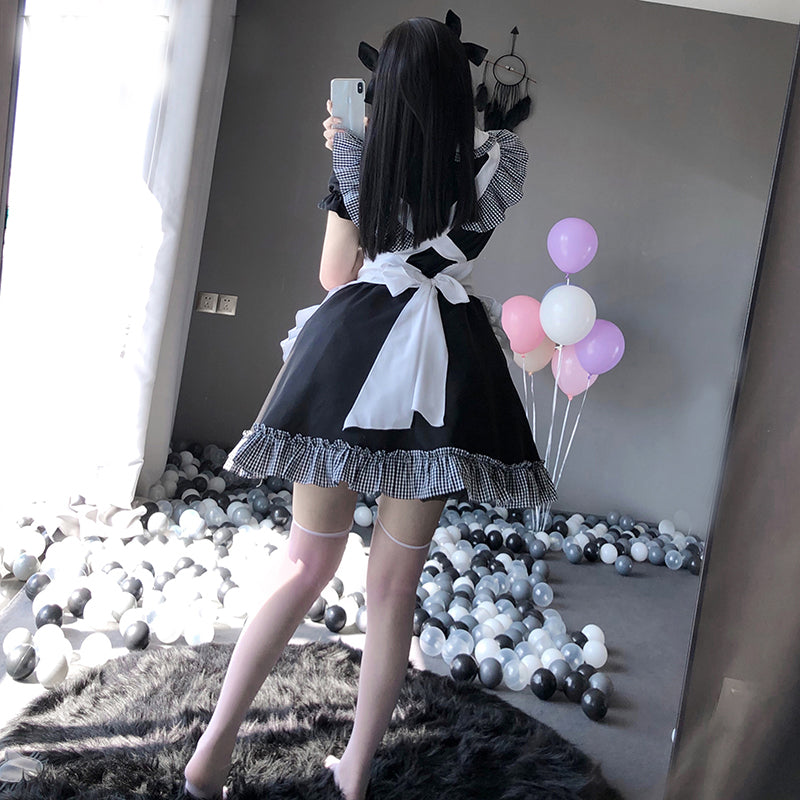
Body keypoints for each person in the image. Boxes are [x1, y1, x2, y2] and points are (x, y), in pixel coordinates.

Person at [182, 12, 556, 800]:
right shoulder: (493, 165)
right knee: (392, 589)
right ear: (458, 89)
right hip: (445, 367)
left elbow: (333, 274)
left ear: (382, 88)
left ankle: (212, 752)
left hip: (352, 358)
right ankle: (355, 772)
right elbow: (481, 191)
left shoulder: (358, 155)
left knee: (303, 563)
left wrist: (351, 148)